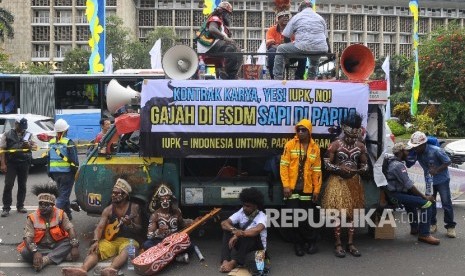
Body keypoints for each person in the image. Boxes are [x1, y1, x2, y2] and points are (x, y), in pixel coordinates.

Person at [62, 178, 143, 276]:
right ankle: (83, 270)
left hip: (129, 240)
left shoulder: (134, 207)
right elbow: (100, 227)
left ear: (125, 195)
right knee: (94, 250)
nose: (113, 195)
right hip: (112, 239)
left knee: (129, 249)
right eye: (112, 193)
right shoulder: (108, 209)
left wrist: (130, 224)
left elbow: (139, 229)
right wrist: (96, 240)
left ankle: (111, 269)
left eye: (117, 193)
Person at [322, 112, 367, 258]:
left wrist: (360, 170)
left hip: (353, 183)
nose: (352, 137)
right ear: (343, 128)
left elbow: (365, 164)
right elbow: (326, 164)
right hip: (338, 182)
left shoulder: (361, 146)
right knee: (338, 213)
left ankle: (350, 243)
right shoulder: (335, 144)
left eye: (356, 133)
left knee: (351, 214)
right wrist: (339, 168)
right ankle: (338, 243)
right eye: (350, 133)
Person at [279, 118, 322, 256]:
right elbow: (283, 166)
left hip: (307, 189)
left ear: (309, 132)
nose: (301, 132)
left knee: (307, 217)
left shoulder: (315, 148)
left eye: (304, 130)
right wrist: (286, 186)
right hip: (292, 188)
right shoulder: (290, 145)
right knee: (294, 216)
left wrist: (316, 189)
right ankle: (298, 244)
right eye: (298, 129)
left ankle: (311, 242)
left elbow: (317, 171)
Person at [384, 143, 440, 245]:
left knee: (412, 202)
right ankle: (424, 234)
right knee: (427, 204)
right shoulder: (398, 166)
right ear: (400, 152)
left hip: (395, 192)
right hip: (395, 195)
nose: (409, 153)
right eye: (406, 150)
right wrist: (424, 197)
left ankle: (414, 228)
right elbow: (409, 185)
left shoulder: (394, 162)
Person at [17, 183, 80, 272]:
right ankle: (59, 256)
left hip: (58, 243)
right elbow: (28, 237)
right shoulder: (32, 217)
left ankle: (45, 260)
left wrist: (74, 247)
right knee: (25, 252)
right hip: (40, 246)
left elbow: (70, 229)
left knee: (70, 242)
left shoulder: (60, 213)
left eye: (46, 204)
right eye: (40, 204)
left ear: (53, 205)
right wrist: (35, 251)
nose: (42, 207)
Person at [407, 131, 456, 238]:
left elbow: (448, 161)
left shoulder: (436, 151)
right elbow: (408, 159)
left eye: (416, 146)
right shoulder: (417, 152)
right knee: (430, 202)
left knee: (446, 203)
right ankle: (432, 224)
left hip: (442, 180)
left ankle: (450, 227)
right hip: (429, 181)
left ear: (423, 144)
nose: (415, 148)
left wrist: (437, 170)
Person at [273, 0, 330, 80]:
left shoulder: (297, 17)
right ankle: (311, 79)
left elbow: (286, 35)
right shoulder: (320, 18)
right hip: (321, 49)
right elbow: (326, 37)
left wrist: (288, 55)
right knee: (314, 57)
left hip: (303, 47)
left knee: (280, 49)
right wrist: (329, 52)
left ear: (300, 9)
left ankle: (277, 78)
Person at [143, 183, 195, 263]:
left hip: (174, 241)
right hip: (160, 242)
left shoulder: (177, 211)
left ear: (171, 199)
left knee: (190, 245)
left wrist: (192, 222)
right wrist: (158, 231)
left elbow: (182, 223)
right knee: (147, 244)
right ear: (158, 201)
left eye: (167, 198)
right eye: (162, 198)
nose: (165, 200)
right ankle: (176, 257)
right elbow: (149, 235)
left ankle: (164, 258)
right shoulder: (155, 215)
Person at [219, 187, 267, 273]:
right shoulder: (241, 211)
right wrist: (234, 230)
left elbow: (256, 230)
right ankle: (225, 261)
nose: (244, 208)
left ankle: (234, 263)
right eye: (244, 205)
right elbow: (224, 223)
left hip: (256, 248)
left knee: (250, 235)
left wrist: (238, 234)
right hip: (243, 244)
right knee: (227, 230)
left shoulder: (262, 216)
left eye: (248, 206)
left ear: (255, 206)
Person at [196, 1, 242, 80]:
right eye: (227, 14)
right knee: (233, 48)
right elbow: (212, 29)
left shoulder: (222, 24)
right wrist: (225, 38)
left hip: (213, 47)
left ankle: (225, 72)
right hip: (208, 47)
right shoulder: (215, 18)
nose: (228, 16)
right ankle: (230, 75)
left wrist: (227, 35)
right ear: (222, 12)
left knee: (237, 50)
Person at [1, 117, 36, 217]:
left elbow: (34, 146)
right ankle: (6, 208)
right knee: (8, 184)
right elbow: (2, 150)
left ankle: (20, 206)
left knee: (22, 185)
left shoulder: (28, 134)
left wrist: (28, 145)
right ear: (16, 124)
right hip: (11, 163)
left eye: (24, 127)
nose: (22, 129)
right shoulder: (7, 134)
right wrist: (3, 164)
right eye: (21, 126)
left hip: (24, 162)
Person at [48, 119, 79, 220]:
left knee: (62, 194)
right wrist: (76, 172)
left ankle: (67, 214)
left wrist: (50, 172)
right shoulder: (68, 142)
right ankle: (52, 217)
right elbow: (74, 160)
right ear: (66, 130)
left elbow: (48, 158)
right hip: (66, 173)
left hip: (55, 172)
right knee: (63, 196)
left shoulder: (51, 142)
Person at [266, 4, 306, 80]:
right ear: (278, 18)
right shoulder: (271, 30)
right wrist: (282, 48)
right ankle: (273, 78)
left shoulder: (294, 29)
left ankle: (299, 77)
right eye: (283, 16)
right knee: (271, 51)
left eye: (287, 16)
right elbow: (270, 45)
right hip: (277, 56)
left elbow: (298, 43)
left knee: (303, 52)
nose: (286, 18)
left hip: (291, 55)